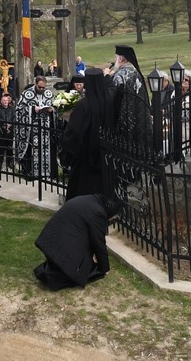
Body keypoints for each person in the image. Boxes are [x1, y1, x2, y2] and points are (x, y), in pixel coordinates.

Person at [33, 194, 122, 290]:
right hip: (63, 242)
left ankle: (48, 272)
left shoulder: (92, 200)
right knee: (77, 273)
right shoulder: (98, 213)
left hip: (52, 239)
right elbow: (99, 242)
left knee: (64, 267)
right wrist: (105, 268)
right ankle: (50, 277)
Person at [60, 68, 111, 199]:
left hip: (85, 157)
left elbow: (73, 132)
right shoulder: (109, 102)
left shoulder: (83, 105)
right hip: (104, 155)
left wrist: (69, 151)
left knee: (81, 191)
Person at [14, 75, 54, 180]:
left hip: (46, 129)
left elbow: (55, 108)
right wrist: (32, 109)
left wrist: (51, 110)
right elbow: (18, 110)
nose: (41, 89)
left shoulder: (49, 94)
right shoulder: (27, 94)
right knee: (32, 150)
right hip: (32, 130)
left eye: (43, 87)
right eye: (39, 87)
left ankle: (46, 173)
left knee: (46, 150)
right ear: (35, 84)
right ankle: (30, 173)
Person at [0, 93, 14, 171]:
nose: (5, 102)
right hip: (1, 131)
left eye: (6, 100)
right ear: (1, 101)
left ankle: (10, 164)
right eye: (4, 100)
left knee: (10, 148)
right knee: (1, 148)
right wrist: (4, 125)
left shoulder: (12, 108)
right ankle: (0, 164)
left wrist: (10, 124)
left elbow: (14, 118)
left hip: (10, 132)